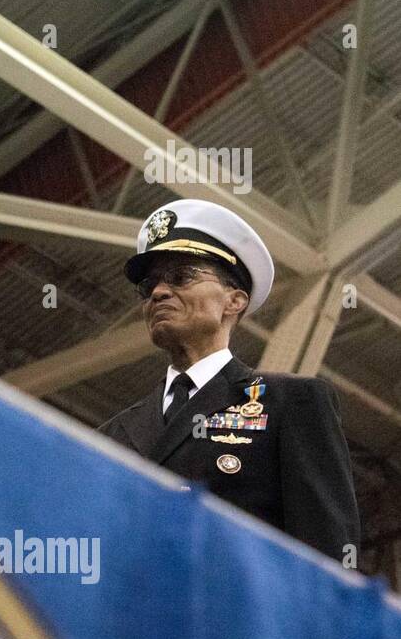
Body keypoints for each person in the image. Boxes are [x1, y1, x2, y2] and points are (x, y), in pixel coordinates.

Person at [97, 199, 360, 561]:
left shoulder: (290, 403)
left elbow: (326, 554)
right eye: (148, 286)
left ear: (234, 301)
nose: (157, 292)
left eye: (181, 277)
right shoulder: (110, 435)